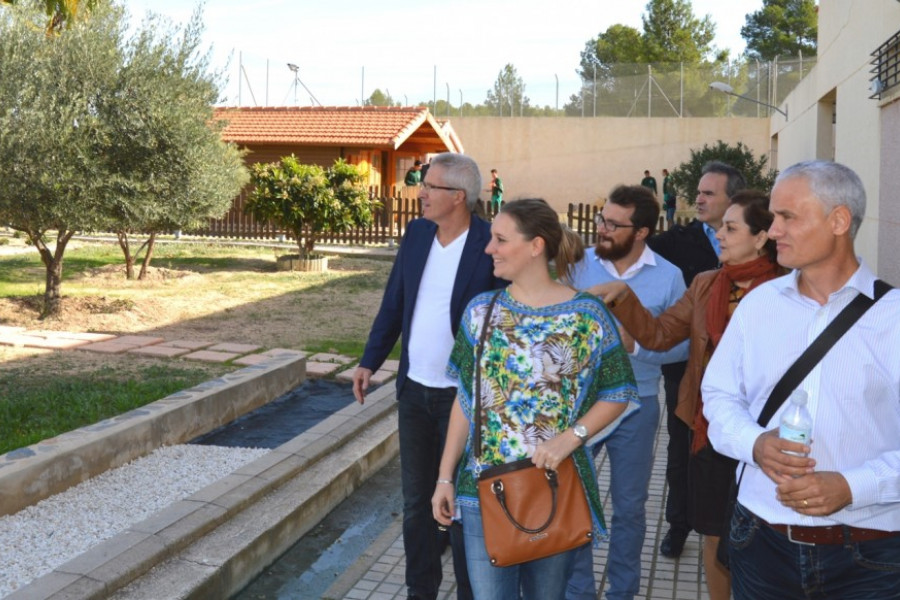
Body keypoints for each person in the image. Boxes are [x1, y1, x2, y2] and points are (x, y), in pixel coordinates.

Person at [702, 160, 900, 600]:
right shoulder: (758, 305)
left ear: (839, 221)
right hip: (760, 541)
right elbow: (717, 397)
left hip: (871, 558)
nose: (773, 231)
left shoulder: (895, 319)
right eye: (774, 217)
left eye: (788, 217)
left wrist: (853, 486)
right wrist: (753, 442)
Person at [431, 198, 640, 600]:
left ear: (535, 246)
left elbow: (619, 393)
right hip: (481, 491)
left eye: (500, 239)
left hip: (554, 487)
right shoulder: (480, 311)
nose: (488, 248)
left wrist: (570, 438)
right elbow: (465, 400)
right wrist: (444, 477)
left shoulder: (586, 314)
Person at [594, 190, 782, 600]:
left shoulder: (789, 290)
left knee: (764, 538)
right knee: (715, 535)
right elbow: (660, 336)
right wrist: (624, 298)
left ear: (762, 236)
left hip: (772, 435)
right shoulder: (705, 284)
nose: (720, 235)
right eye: (720, 227)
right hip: (712, 429)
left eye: (731, 228)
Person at [354, 152, 505, 600]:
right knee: (417, 504)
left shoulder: (488, 243)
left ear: (457, 197)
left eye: (429, 186)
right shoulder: (418, 233)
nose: (420, 192)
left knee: (462, 505)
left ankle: (469, 592)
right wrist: (370, 360)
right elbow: (394, 301)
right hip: (415, 391)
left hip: (464, 400)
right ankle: (421, 591)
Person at [565, 185, 689, 600]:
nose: (601, 229)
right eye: (602, 219)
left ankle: (623, 592)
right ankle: (578, 591)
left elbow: (684, 344)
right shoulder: (578, 266)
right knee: (573, 500)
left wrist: (635, 343)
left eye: (613, 224)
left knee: (631, 508)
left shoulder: (669, 276)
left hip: (639, 405)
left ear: (641, 233)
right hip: (581, 405)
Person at [645, 160, 746, 559]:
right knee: (682, 450)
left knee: (730, 452)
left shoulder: (763, 242)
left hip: (739, 376)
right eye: (698, 192)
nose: (699, 199)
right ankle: (679, 525)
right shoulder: (675, 240)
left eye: (708, 193)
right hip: (685, 370)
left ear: (732, 200)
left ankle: (731, 529)